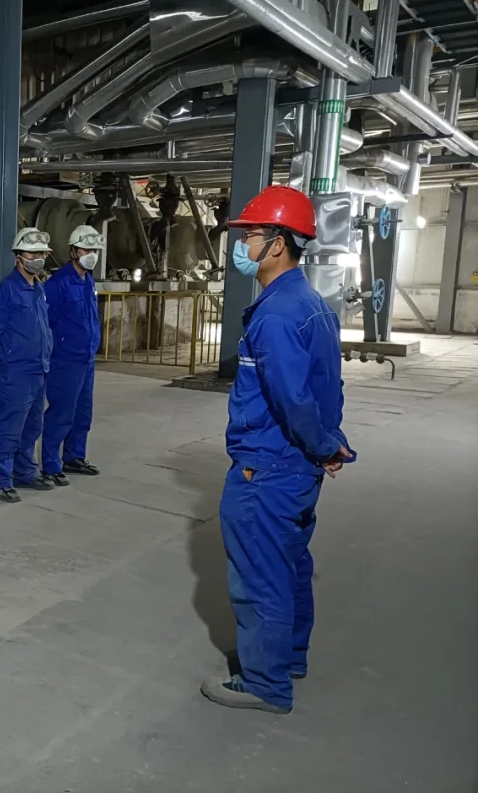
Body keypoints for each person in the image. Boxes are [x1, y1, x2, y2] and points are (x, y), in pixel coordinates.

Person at [200, 185, 355, 715]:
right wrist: (327, 446)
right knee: (289, 564)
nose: (241, 246)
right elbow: (326, 389)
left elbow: (293, 397)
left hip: (267, 468)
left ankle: (265, 684)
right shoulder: (311, 305)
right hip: (297, 467)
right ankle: (289, 658)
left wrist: (322, 444)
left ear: (279, 243)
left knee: (259, 575)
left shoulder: (277, 315)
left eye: (251, 236)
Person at [0, 227, 54, 504]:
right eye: (32, 253)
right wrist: (4, 363)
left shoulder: (39, 289)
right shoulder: (5, 291)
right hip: (15, 372)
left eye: (41, 253)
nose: (38, 258)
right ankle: (1, 480)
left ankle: (25, 472)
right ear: (18, 257)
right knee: (9, 428)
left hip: (39, 370)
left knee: (32, 427)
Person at [41, 225, 103, 486]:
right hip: (65, 360)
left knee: (83, 413)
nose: (92, 255)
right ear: (74, 251)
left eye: (94, 249)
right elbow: (48, 323)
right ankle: (50, 464)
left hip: (86, 359)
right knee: (61, 413)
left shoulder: (88, 281)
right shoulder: (58, 284)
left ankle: (74, 456)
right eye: (87, 249)